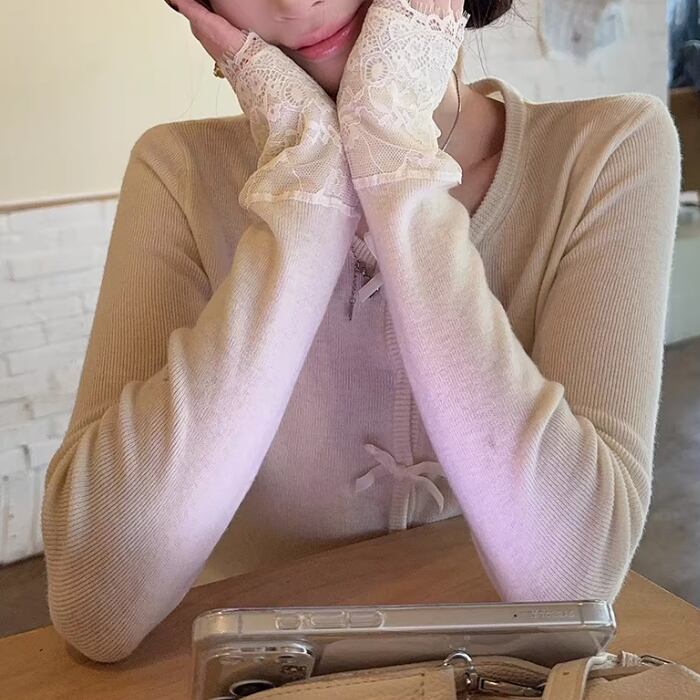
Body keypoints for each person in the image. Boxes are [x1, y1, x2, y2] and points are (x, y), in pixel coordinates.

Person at [41, 0, 681, 663]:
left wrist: (393, 147)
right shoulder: (177, 168)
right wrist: (305, 190)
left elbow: (570, 585)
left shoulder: (608, 148)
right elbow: (97, 608)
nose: (296, 2)